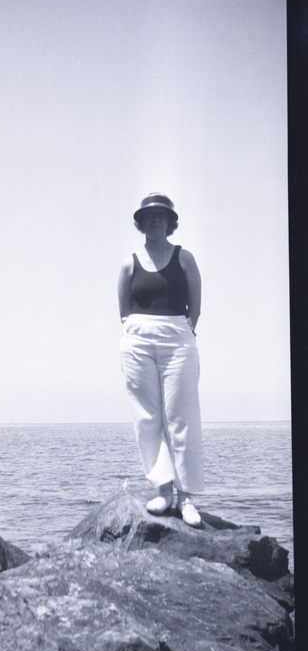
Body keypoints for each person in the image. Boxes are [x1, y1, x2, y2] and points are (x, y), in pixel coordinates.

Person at [118, 192, 204, 528]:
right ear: (141, 222)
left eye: (162, 216)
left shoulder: (185, 259)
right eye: (149, 215)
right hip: (138, 339)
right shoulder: (129, 263)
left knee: (181, 418)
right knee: (147, 419)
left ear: (170, 222)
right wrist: (137, 333)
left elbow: (195, 306)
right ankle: (164, 490)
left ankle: (186, 500)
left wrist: (182, 331)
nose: (156, 220)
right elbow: (123, 310)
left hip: (178, 338)